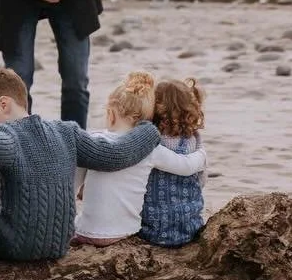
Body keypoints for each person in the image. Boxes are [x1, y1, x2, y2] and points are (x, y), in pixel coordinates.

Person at [0, 68, 161, 261]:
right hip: (60, 243)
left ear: (3, 104)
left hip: (15, 244)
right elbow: (115, 155)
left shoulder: (6, 137)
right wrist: (149, 130)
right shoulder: (67, 132)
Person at [74, 72, 206, 246]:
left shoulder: (100, 142)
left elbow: (73, 185)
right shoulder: (171, 145)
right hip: (148, 231)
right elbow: (192, 172)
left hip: (97, 231)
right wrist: (202, 155)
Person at [139, 78, 208, 246]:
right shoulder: (193, 141)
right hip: (189, 229)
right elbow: (202, 180)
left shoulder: (146, 139)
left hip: (150, 230)